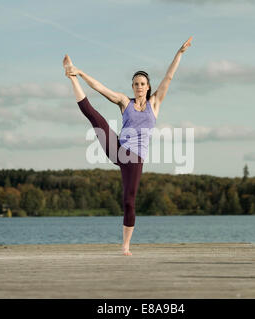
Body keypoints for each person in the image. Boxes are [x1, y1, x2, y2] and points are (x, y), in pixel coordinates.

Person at [63, 37, 192, 256]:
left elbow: (169, 76)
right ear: (132, 87)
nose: (139, 87)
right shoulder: (125, 102)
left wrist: (179, 53)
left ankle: (125, 246)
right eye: (136, 84)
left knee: (128, 201)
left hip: (134, 159)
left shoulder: (155, 103)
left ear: (148, 86)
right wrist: (81, 73)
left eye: (142, 84)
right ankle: (71, 76)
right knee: (95, 118)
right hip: (119, 149)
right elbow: (101, 88)